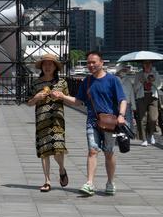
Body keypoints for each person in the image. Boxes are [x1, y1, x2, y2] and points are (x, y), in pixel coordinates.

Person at [54, 50, 127, 196]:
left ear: (101, 62)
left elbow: (122, 99)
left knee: (109, 153)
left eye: (94, 62)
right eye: (88, 62)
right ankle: (89, 183)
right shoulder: (86, 82)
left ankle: (110, 182)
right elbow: (78, 101)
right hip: (92, 122)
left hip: (110, 123)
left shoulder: (113, 80)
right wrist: (62, 96)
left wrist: (121, 115)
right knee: (92, 151)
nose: (91, 65)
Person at [26, 54, 69, 192]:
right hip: (42, 120)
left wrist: (61, 96)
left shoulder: (61, 83)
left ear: (55, 67)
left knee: (58, 149)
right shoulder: (36, 83)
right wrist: (36, 98)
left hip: (57, 120)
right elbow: (29, 102)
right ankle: (47, 181)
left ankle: (62, 169)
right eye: (45, 64)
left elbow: (69, 99)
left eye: (50, 64)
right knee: (44, 151)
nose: (47, 67)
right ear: (42, 67)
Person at [133, 61, 159, 146]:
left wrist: (153, 81)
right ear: (143, 65)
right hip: (142, 96)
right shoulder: (138, 74)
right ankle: (144, 139)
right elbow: (135, 88)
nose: (147, 65)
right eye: (145, 64)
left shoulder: (155, 73)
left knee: (153, 118)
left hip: (153, 97)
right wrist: (141, 82)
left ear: (151, 65)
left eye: (149, 64)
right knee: (142, 118)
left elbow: (160, 85)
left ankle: (151, 135)